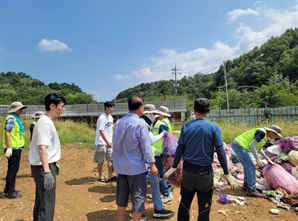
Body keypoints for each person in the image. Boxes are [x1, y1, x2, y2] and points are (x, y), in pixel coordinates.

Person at [164, 98, 236, 221]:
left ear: (194, 110)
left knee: (185, 203)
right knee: (204, 207)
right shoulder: (213, 127)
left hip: (188, 172)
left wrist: (174, 167)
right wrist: (227, 173)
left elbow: (180, 148)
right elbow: (220, 151)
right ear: (209, 111)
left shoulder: (186, 127)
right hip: (205, 173)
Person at [112, 95, 158, 221]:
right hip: (136, 168)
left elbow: (115, 144)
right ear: (140, 107)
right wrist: (152, 164)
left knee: (121, 197)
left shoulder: (119, 123)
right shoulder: (140, 124)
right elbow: (146, 147)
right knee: (138, 197)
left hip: (121, 167)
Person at [29, 93, 66, 221]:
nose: (63, 109)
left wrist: (53, 163)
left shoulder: (45, 121)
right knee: (47, 203)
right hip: (43, 167)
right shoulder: (45, 123)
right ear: (52, 106)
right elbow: (42, 147)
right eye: (62, 106)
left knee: (42, 201)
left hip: (45, 165)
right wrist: (47, 170)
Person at [140, 104, 172, 218]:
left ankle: (137, 211)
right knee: (154, 182)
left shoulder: (136, 122)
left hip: (138, 159)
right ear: (149, 113)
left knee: (139, 186)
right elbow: (152, 140)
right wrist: (163, 134)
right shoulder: (144, 123)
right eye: (154, 113)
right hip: (147, 159)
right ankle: (157, 209)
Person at [231, 125, 282, 197]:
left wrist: (267, 159)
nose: (276, 137)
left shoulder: (264, 137)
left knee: (247, 166)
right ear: (272, 132)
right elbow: (252, 145)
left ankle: (246, 185)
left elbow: (259, 148)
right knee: (251, 167)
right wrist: (257, 158)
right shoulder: (262, 133)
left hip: (238, 145)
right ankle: (251, 190)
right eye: (276, 135)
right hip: (239, 145)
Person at [3, 101, 28, 199]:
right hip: (13, 148)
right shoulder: (11, 118)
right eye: (20, 108)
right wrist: (9, 147)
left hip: (16, 147)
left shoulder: (15, 118)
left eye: (22, 108)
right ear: (15, 109)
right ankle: (9, 192)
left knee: (13, 169)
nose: (21, 110)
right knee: (12, 170)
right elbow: (7, 133)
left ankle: (10, 189)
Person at [152, 106, 173, 203]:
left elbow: (166, 137)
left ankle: (166, 193)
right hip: (161, 151)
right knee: (162, 171)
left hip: (161, 152)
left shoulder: (162, 124)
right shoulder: (164, 122)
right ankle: (167, 188)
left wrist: (162, 152)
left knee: (160, 173)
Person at [94, 101, 116, 182]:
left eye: (113, 107)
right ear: (106, 108)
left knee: (110, 159)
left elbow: (111, 129)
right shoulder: (102, 118)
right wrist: (107, 142)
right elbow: (101, 131)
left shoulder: (110, 117)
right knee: (101, 160)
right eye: (111, 107)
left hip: (109, 142)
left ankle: (110, 175)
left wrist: (113, 139)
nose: (112, 109)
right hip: (101, 143)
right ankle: (100, 176)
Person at [29, 111, 44, 177]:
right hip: (35, 143)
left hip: (41, 142)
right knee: (35, 157)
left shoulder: (42, 124)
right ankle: (34, 172)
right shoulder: (33, 124)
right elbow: (33, 135)